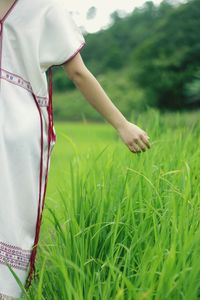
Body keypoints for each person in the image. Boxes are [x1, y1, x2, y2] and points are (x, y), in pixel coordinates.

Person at [0, 0, 151, 299]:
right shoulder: (45, 7)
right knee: (12, 213)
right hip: (19, 126)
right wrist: (122, 124)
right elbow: (78, 73)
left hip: (14, 127)